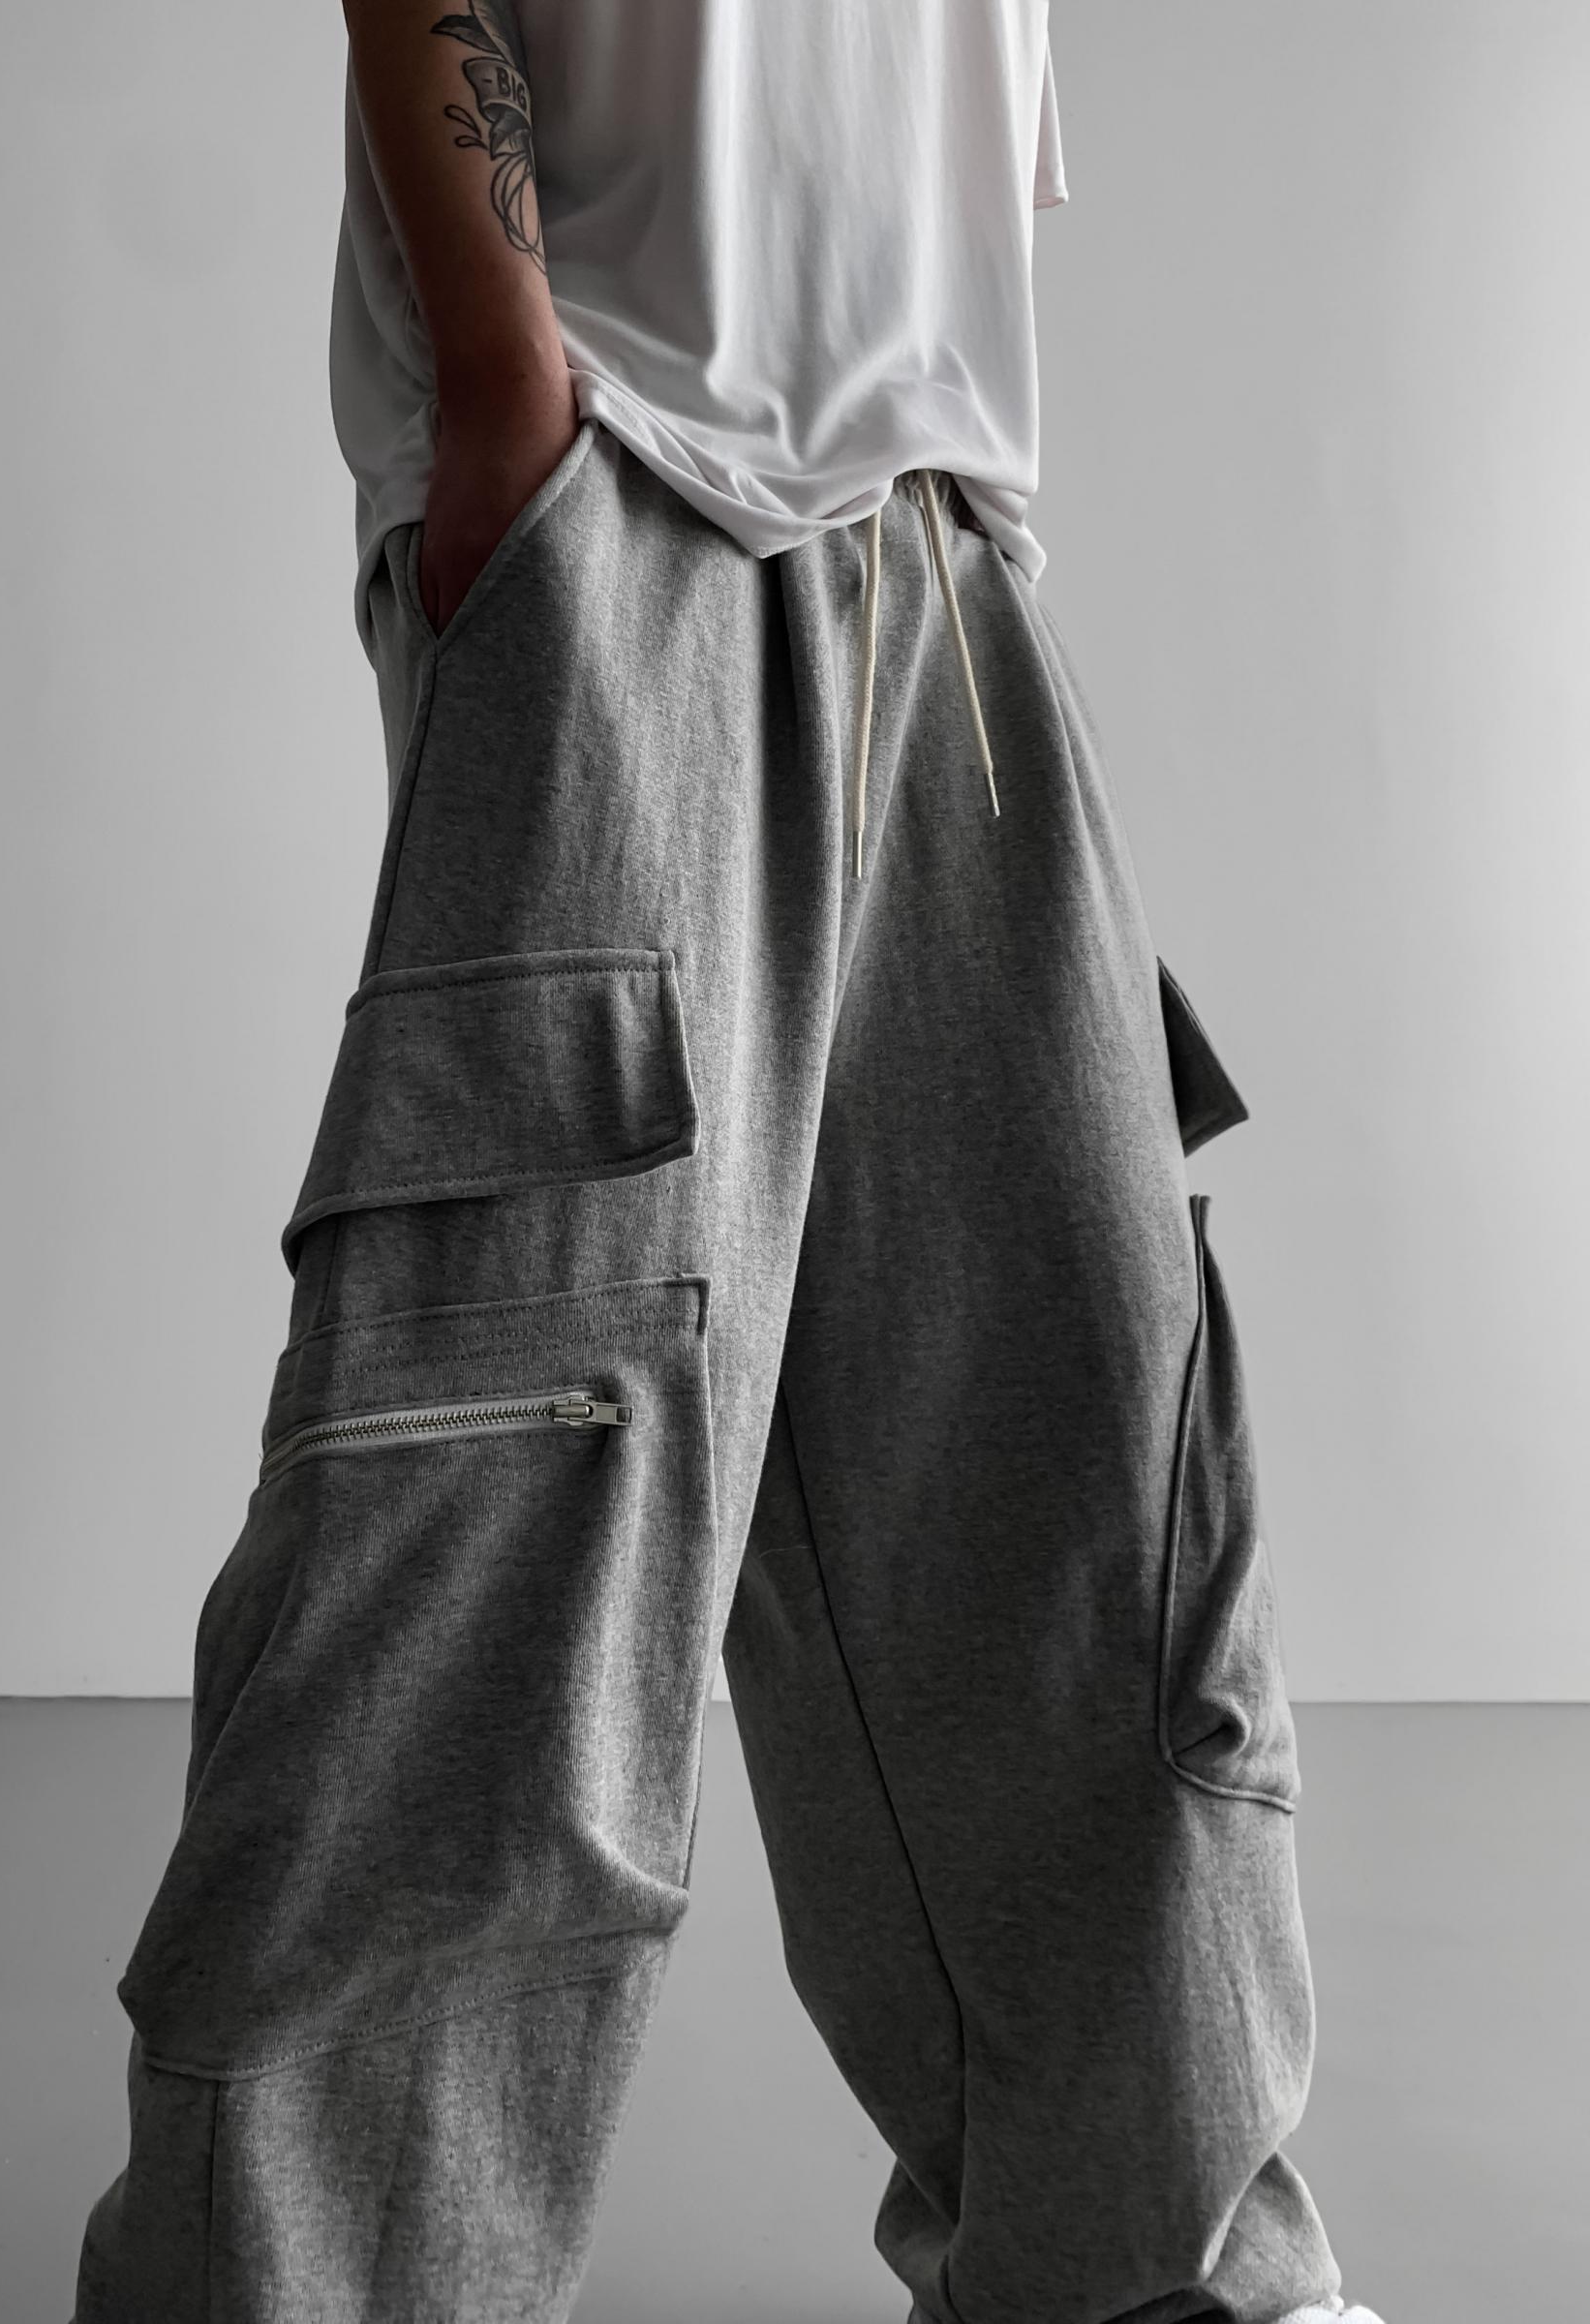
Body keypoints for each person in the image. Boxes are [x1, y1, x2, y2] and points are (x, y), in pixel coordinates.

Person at [73, 5, 1390, 2320]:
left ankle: (1163, 2284)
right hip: (623, 480)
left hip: (944, 546)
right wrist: (509, 397)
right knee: (506, 1543)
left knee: (1083, 1499)